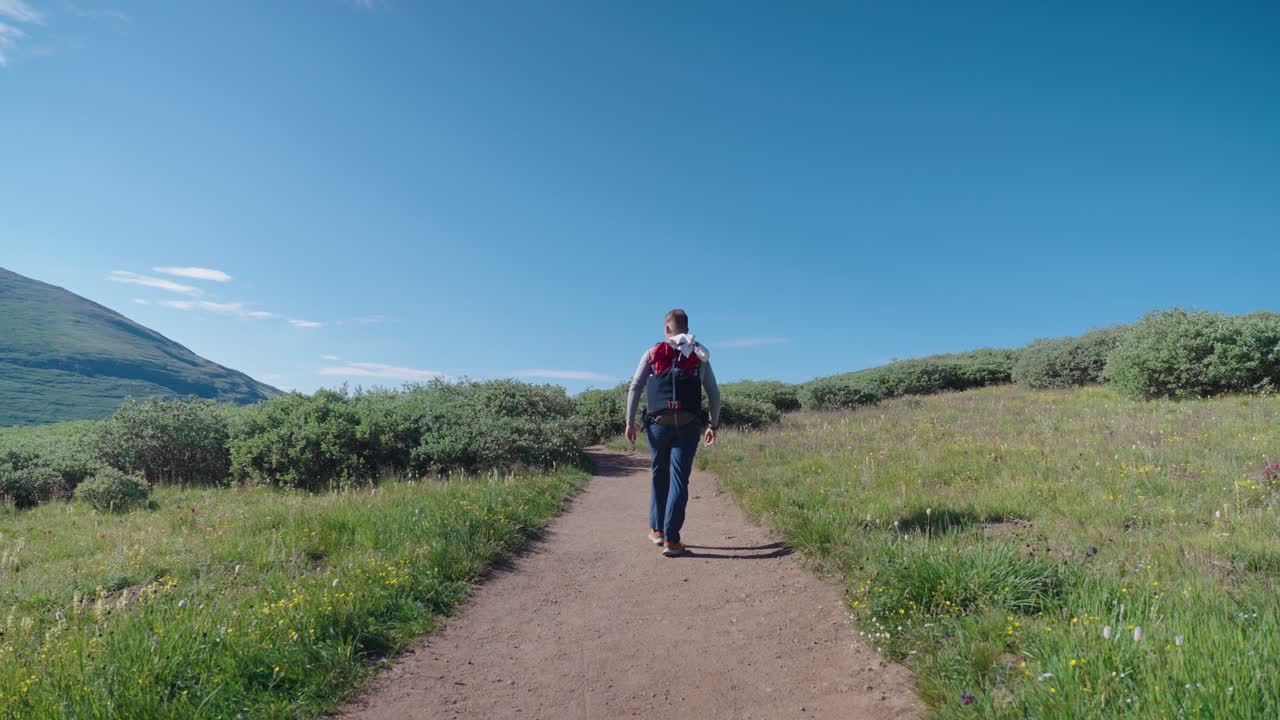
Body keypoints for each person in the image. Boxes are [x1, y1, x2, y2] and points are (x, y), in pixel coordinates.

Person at [624, 308, 720, 557]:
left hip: (658, 424)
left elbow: (635, 387)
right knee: (679, 480)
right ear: (687, 328)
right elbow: (713, 392)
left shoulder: (653, 352)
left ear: (667, 328)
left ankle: (657, 530)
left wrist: (630, 422)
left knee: (659, 473)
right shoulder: (698, 355)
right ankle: (672, 540)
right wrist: (713, 425)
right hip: (688, 425)